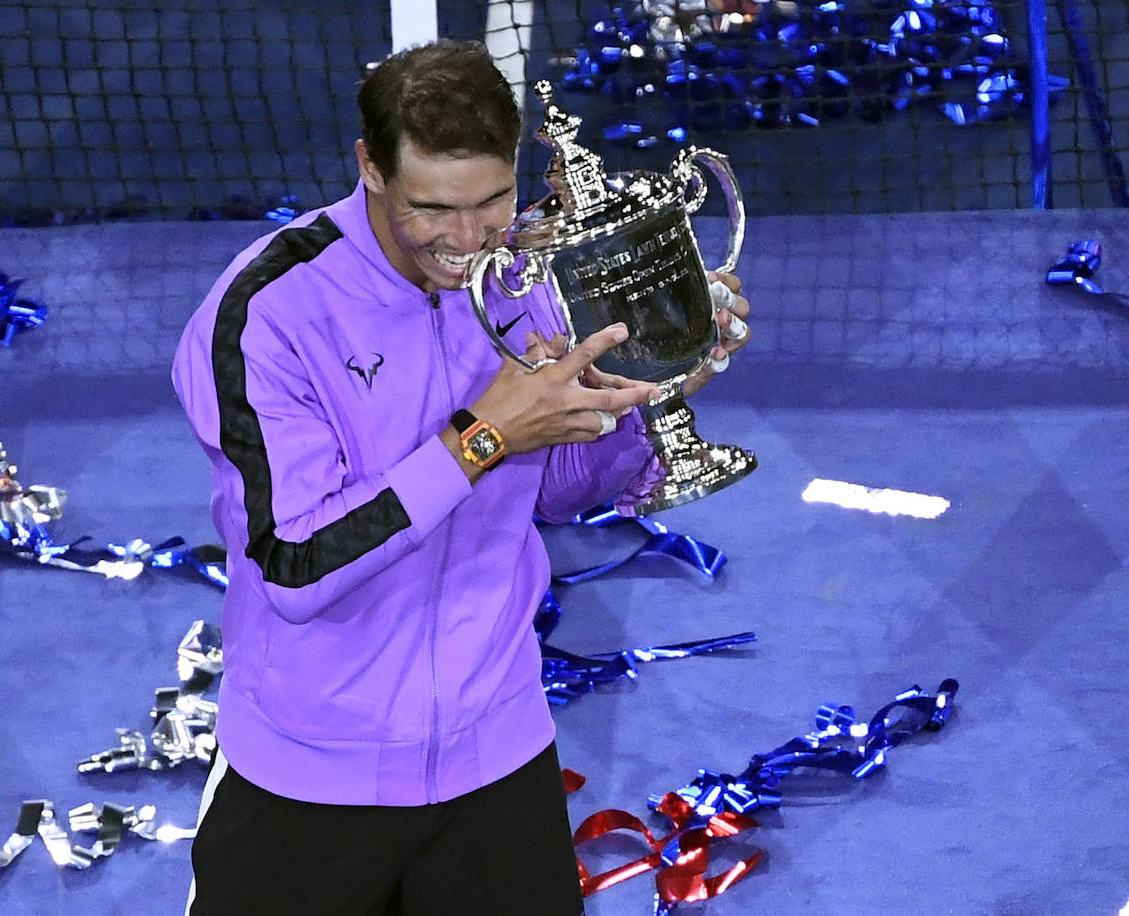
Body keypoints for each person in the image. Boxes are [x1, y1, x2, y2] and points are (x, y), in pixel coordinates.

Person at [171, 39, 752, 916]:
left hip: (496, 744)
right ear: (370, 167)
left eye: (494, 201)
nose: (470, 239)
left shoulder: (528, 275)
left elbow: (556, 487)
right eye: (434, 209)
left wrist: (652, 388)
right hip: (313, 764)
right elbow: (297, 561)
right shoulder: (267, 313)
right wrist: (481, 438)